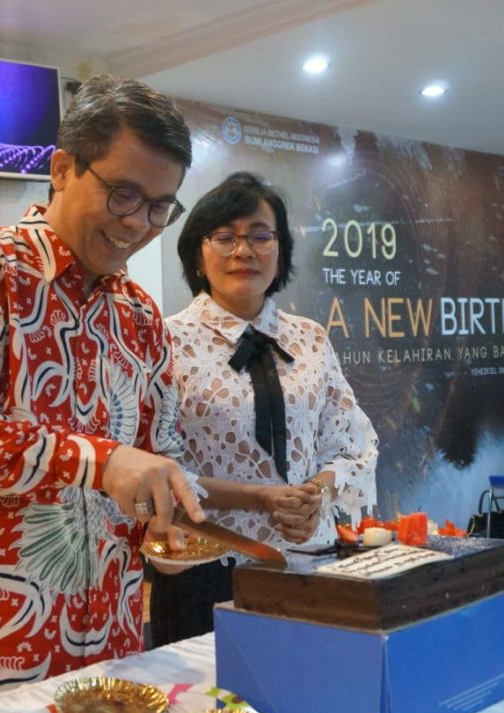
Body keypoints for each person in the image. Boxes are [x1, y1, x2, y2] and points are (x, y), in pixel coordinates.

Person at [0, 75, 205, 711]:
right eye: (124, 194)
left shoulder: (141, 315)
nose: (138, 223)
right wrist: (98, 460)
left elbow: (161, 451)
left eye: (159, 207)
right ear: (62, 169)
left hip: (113, 636)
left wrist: (166, 527)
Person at [149, 172, 379, 646]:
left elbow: (353, 445)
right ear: (197, 254)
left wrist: (315, 493)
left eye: (260, 235)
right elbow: (154, 467)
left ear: (281, 249)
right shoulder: (164, 341)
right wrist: (260, 498)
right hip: (204, 568)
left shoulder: (310, 337)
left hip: (308, 564)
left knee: (308, 683)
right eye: (224, 237)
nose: (244, 251)